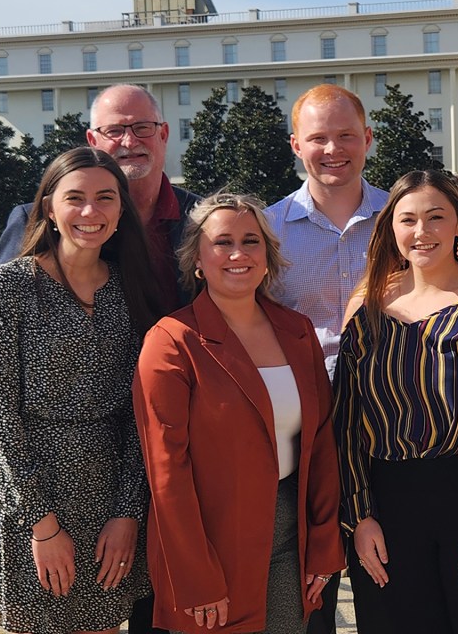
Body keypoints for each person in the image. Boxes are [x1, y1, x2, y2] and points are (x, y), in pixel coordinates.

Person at [0, 146, 162, 634]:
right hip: (29, 507)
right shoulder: (6, 287)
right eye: (75, 198)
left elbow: (142, 414)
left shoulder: (131, 289)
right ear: (49, 207)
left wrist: (128, 514)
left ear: (122, 211)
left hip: (109, 506)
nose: (90, 212)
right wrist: (42, 523)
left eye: (105, 198)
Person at [334, 170, 458, 634]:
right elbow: (346, 421)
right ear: (391, 229)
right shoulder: (365, 307)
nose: (421, 232)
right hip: (386, 508)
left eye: (435, 217)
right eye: (408, 220)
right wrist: (359, 516)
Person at [132, 194, 344, 634]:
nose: (238, 253)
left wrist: (324, 544)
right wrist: (195, 576)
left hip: (291, 536)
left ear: (267, 257)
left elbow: (321, 441)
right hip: (211, 540)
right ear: (196, 260)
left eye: (251, 241)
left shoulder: (296, 330)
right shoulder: (172, 341)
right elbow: (166, 470)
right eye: (222, 242)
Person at [264, 83, 388, 632]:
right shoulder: (265, 231)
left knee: (389, 578)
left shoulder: (402, 219)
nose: (333, 149)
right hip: (300, 428)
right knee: (308, 587)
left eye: (345, 136)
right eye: (318, 138)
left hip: (389, 421)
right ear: (296, 144)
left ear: (367, 139)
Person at [0, 84, 200, 314]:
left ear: (163, 134)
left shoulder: (204, 219)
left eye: (142, 127)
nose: (130, 141)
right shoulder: (35, 220)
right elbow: (8, 312)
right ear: (93, 141)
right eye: (114, 131)